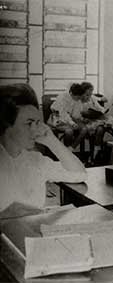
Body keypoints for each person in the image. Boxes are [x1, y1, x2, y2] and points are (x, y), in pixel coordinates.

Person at [0, 84, 87, 212]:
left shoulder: (35, 160)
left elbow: (79, 175)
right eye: (29, 123)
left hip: (33, 228)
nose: (36, 130)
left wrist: (52, 141)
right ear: (6, 125)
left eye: (37, 123)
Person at [47, 83, 89, 149]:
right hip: (58, 117)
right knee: (69, 131)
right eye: (78, 97)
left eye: (80, 97)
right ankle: (66, 149)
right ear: (72, 94)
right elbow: (62, 113)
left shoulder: (77, 100)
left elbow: (76, 114)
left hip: (70, 118)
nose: (79, 98)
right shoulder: (62, 97)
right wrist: (72, 124)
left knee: (84, 129)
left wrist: (81, 119)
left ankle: (71, 148)